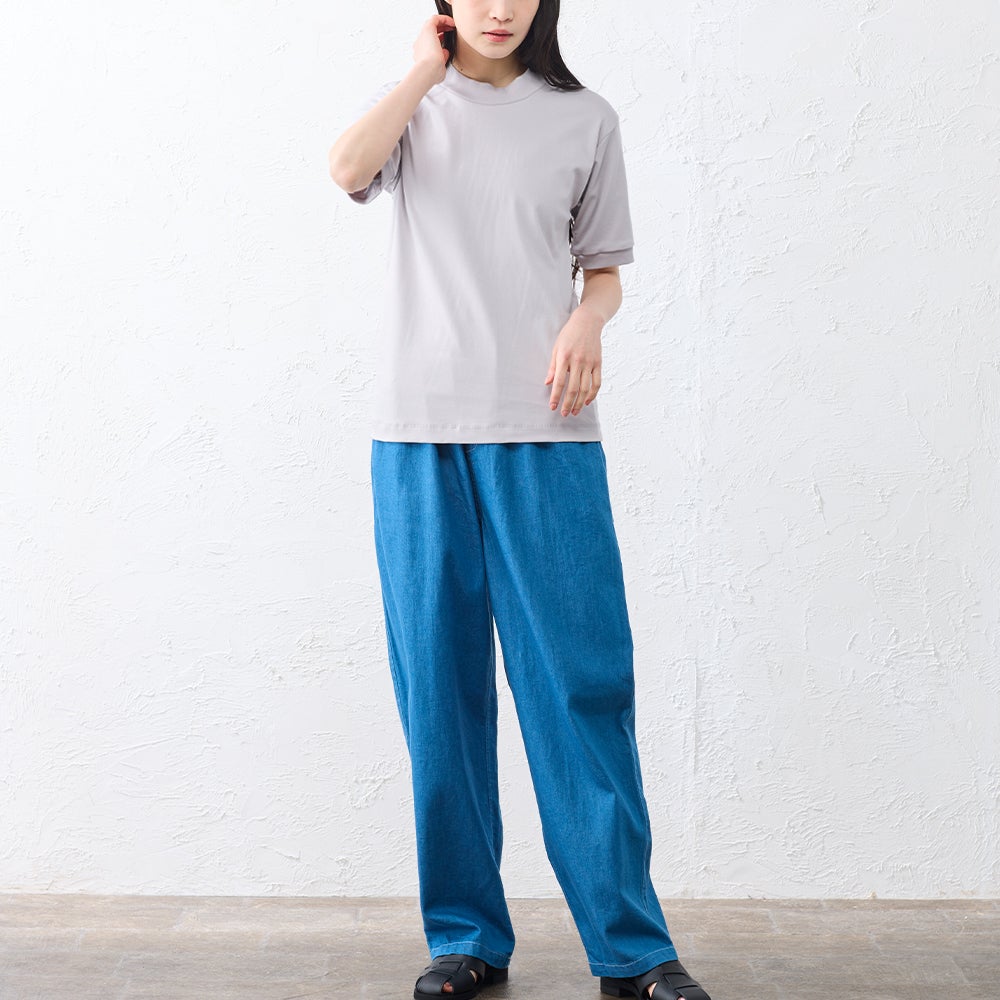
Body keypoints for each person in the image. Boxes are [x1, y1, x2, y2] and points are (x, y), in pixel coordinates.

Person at [328, 3, 711, 1000]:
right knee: (440, 696)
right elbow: (345, 168)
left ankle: (632, 949)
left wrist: (588, 319)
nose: (499, 8)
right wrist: (422, 73)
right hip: (417, 435)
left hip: (547, 432)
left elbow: (604, 270)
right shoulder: (411, 111)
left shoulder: (584, 118)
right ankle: (465, 939)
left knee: (582, 688)